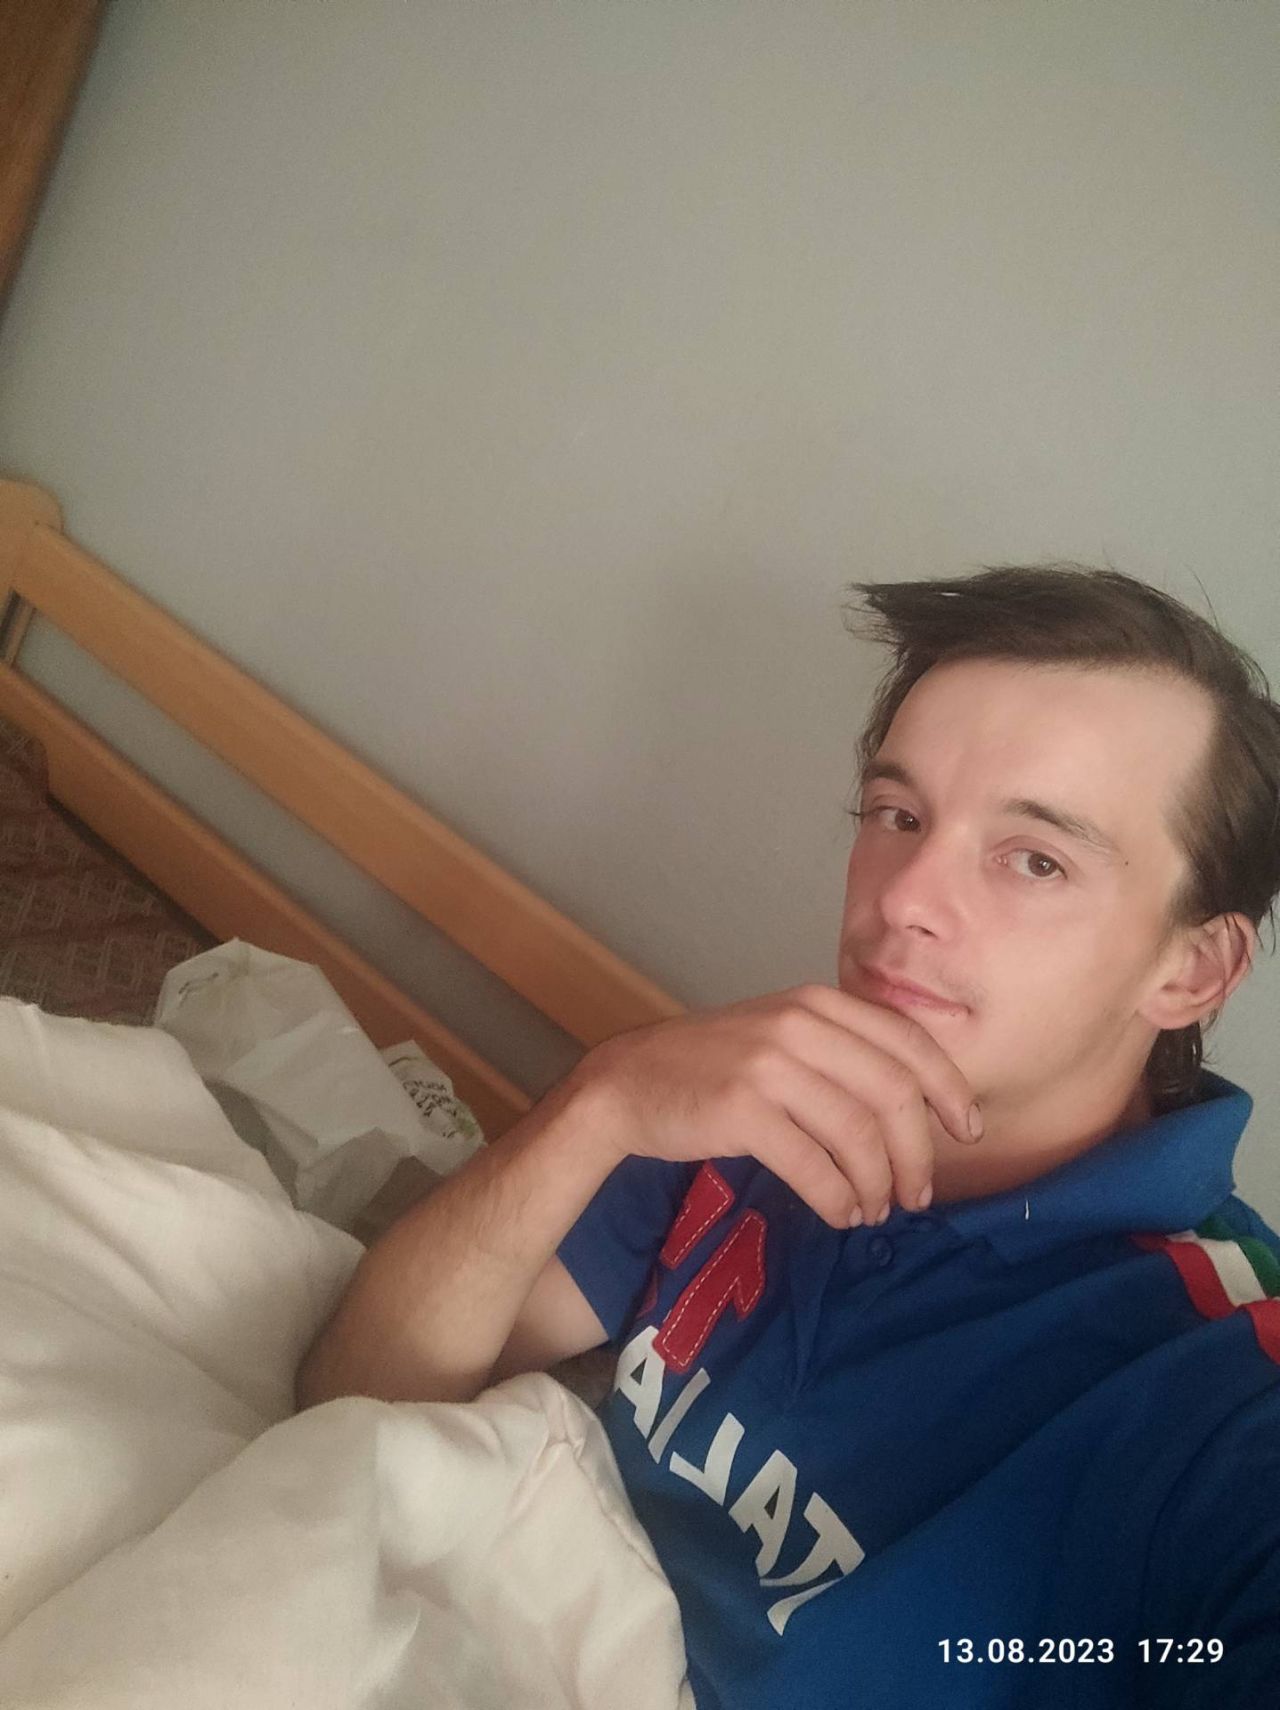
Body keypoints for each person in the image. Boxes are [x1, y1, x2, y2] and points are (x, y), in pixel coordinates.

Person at [297, 562, 1280, 1707]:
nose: (900, 899)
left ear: (1189, 969)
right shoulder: (746, 1108)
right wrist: (597, 1104)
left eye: (1034, 859)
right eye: (897, 816)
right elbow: (358, 1399)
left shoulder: (1218, 1387)